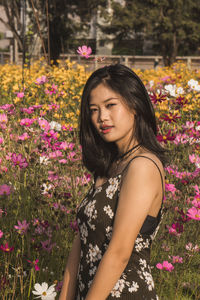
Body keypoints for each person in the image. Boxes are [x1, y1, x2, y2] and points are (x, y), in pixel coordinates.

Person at [59, 64, 167, 300]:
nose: (102, 117)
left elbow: (119, 253)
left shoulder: (142, 166)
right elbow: (81, 243)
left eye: (110, 105)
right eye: (94, 110)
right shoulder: (111, 166)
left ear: (135, 104)